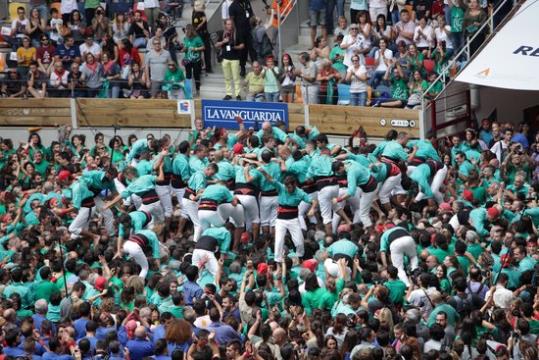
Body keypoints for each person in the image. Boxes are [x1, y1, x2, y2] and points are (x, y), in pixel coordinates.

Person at [216, 19, 244, 100]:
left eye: (231, 24)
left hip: (235, 58)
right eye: (228, 24)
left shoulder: (237, 33)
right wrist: (223, 42)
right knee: (227, 77)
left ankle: (238, 94)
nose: (230, 26)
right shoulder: (222, 33)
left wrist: (235, 47)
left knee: (236, 78)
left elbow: (242, 45)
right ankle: (228, 94)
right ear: (225, 25)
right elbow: (216, 45)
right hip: (225, 59)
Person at [182, 24, 204, 98]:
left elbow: (203, 47)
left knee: (196, 75)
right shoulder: (185, 38)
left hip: (196, 60)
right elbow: (185, 48)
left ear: (190, 30)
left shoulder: (197, 38)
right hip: (187, 60)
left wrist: (196, 49)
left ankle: (198, 91)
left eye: (186, 30)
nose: (185, 31)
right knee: (188, 76)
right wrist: (184, 49)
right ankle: (188, 92)